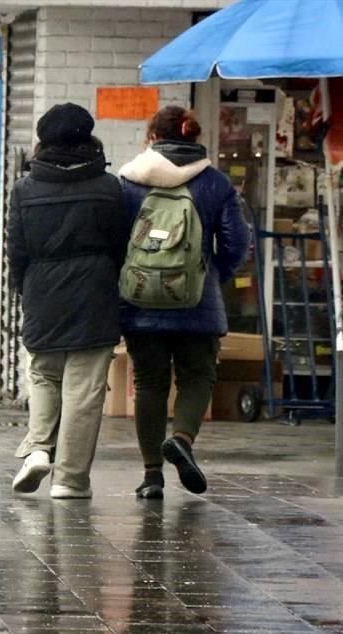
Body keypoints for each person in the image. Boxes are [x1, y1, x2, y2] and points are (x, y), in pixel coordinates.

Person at [118, 106, 249, 499]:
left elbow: (113, 239)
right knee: (198, 376)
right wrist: (211, 276)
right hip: (197, 302)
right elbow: (236, 244)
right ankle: (183, 439)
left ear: (152, 137)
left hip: (140, 300)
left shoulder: (128, 180)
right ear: (194, 137)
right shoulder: (215, 183)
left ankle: (151, 476)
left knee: (149, 383)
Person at [7, 103, 130, 499]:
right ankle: (71, 481)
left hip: (43, 289)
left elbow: (17, 250)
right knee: (85, 390)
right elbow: (120, 245)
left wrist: (23, 290)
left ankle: (40, 447)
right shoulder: (111, 188)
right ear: (89, 140)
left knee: (43, 372)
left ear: (42, 143)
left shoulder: (25, 190)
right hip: (95, 290)